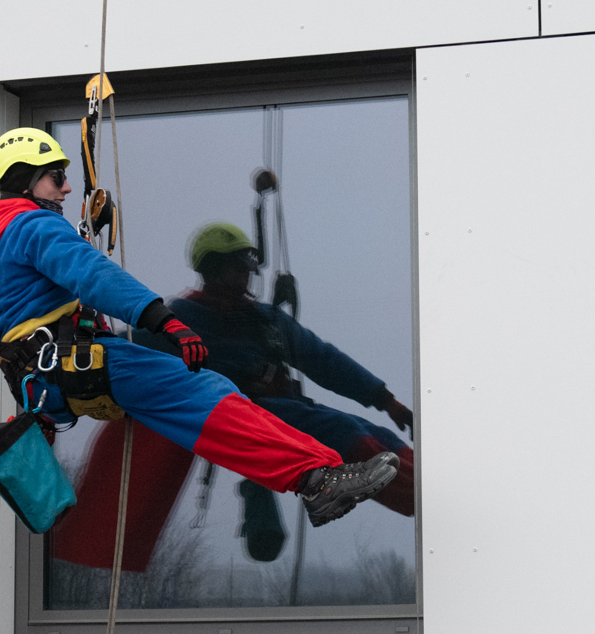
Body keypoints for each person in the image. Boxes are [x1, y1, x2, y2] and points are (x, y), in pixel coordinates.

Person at [0, 129, 398, 538]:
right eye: (57, 175)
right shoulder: (33, 226)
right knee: (211, 396)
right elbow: (89, 274)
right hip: (87, 364)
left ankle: (311, 479)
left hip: (53, 385)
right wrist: (157, 316)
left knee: (199, 402)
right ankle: (317, 479)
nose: (65, 184)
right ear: (32, 181)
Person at [171, 223, 416, 534]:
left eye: (247, 267)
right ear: (213, 271)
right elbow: (143, 341)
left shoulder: (265, 320)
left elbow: (323, 359)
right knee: (344, 433)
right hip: (239, 413)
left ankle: (425, 479)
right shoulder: (184, 317)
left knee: (374, 433)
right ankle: (418, 500)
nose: (245, 274)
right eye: (236, 267)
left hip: (285, 408)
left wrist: (385, 400)